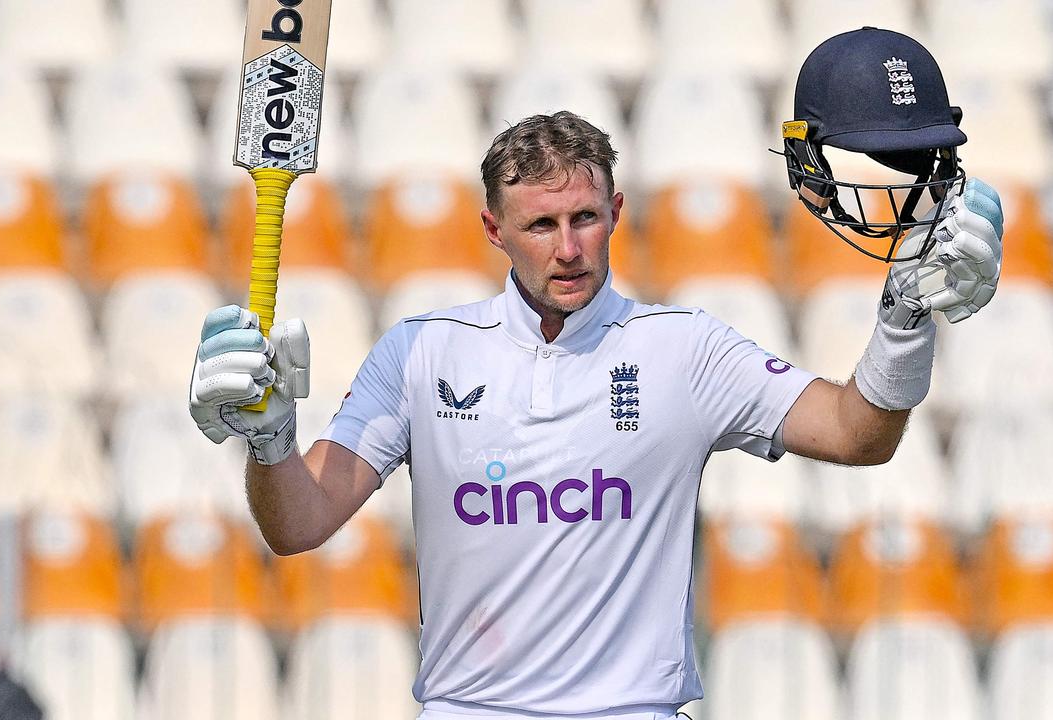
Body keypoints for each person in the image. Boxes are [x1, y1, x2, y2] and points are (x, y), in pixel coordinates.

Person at [188, 27, 1003, 720]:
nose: (568, 248)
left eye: (584, 218)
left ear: (616, 214)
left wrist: (903, 322)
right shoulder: (421, 352)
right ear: (493, 230)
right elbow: (298, 525)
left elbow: (857, 435)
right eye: (541, 224)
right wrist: (269, 443)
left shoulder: (683, 349)